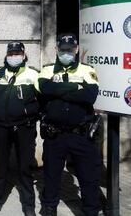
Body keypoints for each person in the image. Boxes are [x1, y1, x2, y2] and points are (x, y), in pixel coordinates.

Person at [36, 34, 101, 216]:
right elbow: (45, 89)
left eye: (70, 50)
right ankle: (49, 207)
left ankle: (90, 210)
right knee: (51, 174)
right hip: (54, 134)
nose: (66, 53)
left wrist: (58, 90)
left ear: (77, 50)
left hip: (80, 134)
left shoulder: (87, 69)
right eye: (63, 49)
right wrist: (76, 87)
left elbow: (90, 96)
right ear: (57, 50)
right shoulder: (47, 70)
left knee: (88, 176)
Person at [0, 42, 39, 216]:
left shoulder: (33, 74)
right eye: (11, 53)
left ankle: (28, 205)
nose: (14, 57)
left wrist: (25, 112)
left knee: (25, 167)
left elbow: (42, 101)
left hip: (24, 128)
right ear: (7, 55)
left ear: (23, 55)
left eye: (17, 53)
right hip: (0, 128)